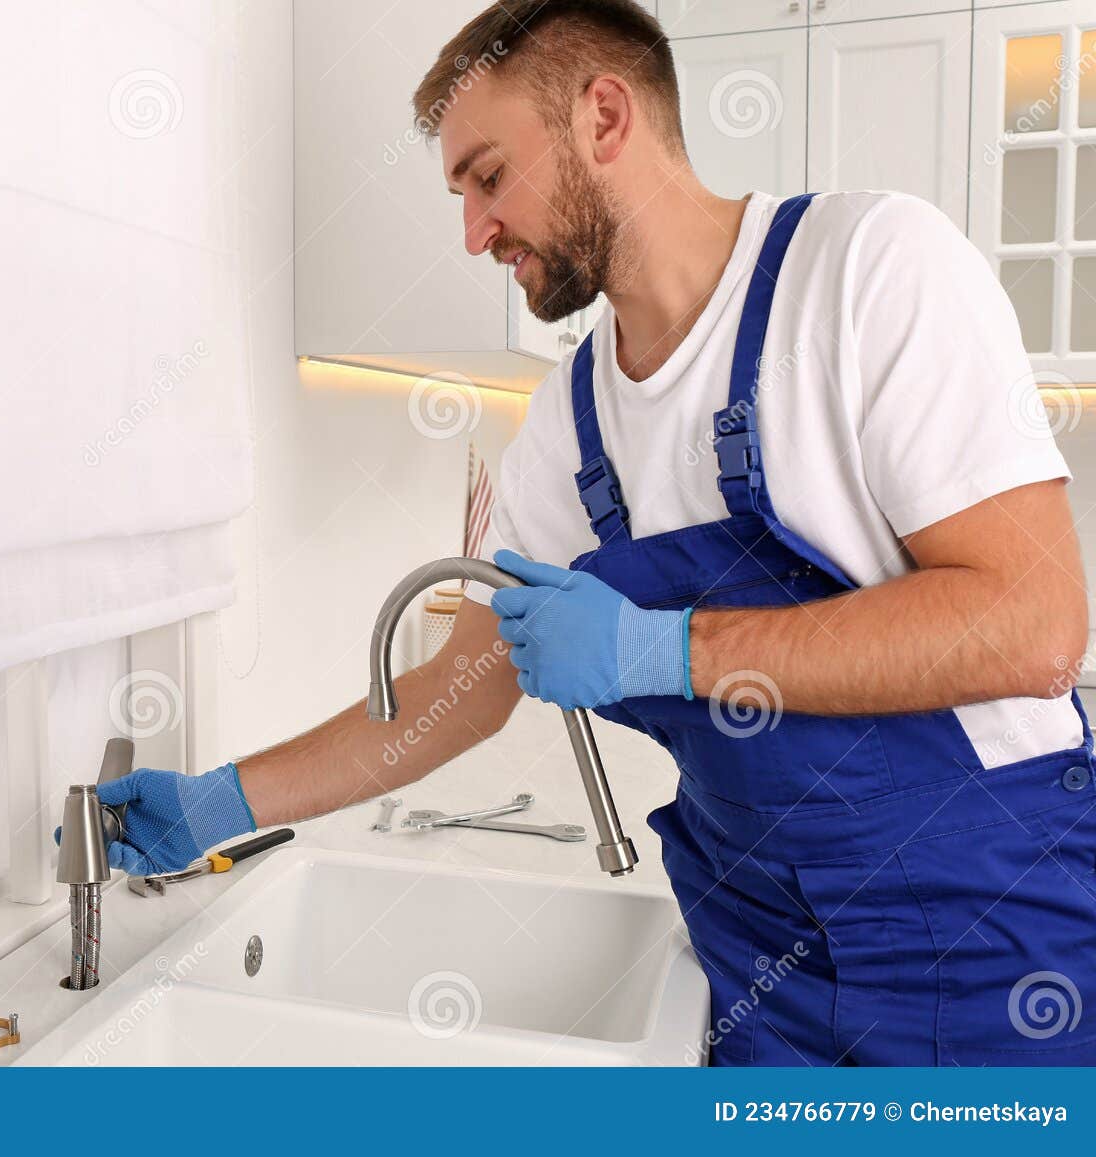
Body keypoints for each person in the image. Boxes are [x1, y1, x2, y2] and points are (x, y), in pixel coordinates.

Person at [89, 0, 1096, 1065]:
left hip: (982, 943)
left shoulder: (865, 270)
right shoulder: (568, 428)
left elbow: (1030, 623)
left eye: (486, 177)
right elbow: (445, 698)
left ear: (603, 118)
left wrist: (665, 648)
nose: (473, 232)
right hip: (760, 964)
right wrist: (218, 803)